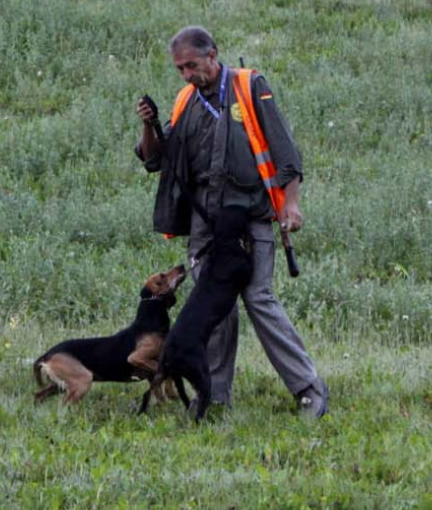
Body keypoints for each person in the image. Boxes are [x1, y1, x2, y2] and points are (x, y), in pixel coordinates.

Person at [136, 25, 329, 418]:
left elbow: (285, 151)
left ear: (213, 55)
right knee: (215, 308)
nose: (188, 75)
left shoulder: (249, 85)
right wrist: (148, 125)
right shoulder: (185, 101)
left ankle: (310, 390)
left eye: (192, 65)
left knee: (259, 298)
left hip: (250, 214)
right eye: (180, 69)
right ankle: (214, 396)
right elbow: (157, 159)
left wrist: (291, 205)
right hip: (206, 222)